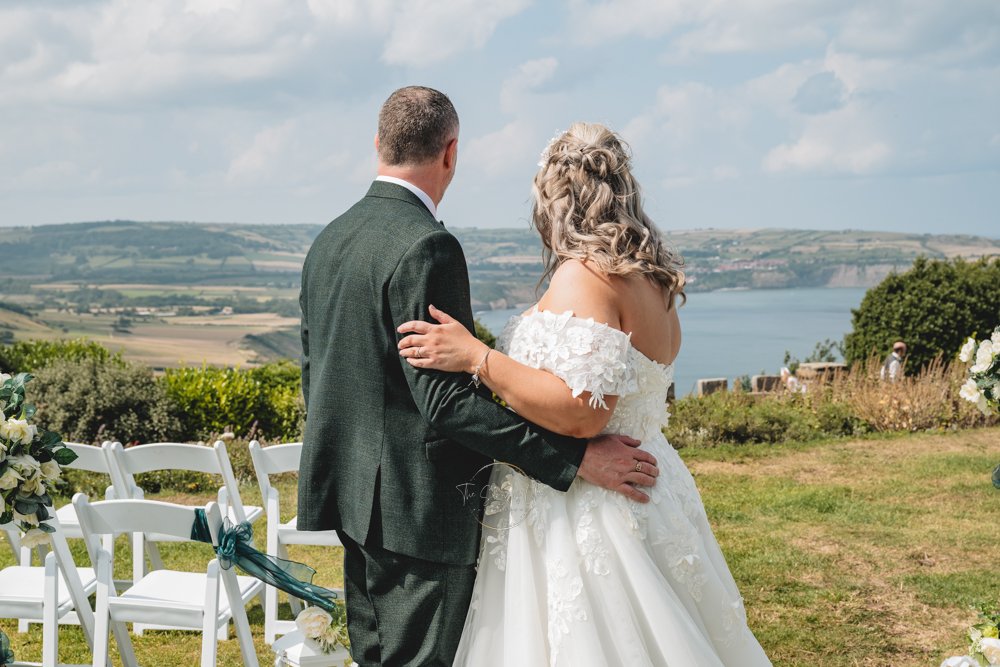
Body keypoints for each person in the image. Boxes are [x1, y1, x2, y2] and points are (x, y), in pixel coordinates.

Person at [297, 88, 660, 667]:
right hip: (418, 510)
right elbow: (444, 403)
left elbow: (316, 374)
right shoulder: (428, 247)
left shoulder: (330, 240)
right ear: (451, 153)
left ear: (378, 143)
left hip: (351, 499)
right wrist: (572, 459)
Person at [398, 122, 772, 665]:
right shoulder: (653, 278)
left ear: (554, 199)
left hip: (587, 504)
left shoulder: (586, 276)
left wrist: (476, 357)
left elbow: (583, 414)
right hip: (650, 483)